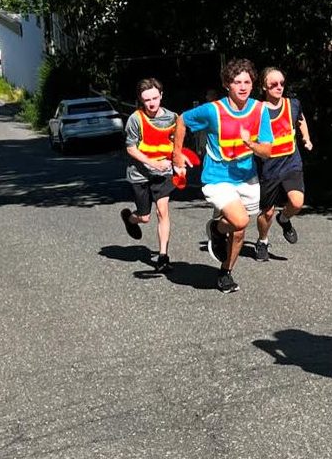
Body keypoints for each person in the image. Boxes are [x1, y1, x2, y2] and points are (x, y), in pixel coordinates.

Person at [172, 58, 274, 293]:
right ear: (227, 84)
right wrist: (177, 154)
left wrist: (251, 143)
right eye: (237, 82)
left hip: (247, 177)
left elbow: (267, 152)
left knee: (239, 231)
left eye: (247, 81)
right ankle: (217, 230)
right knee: (240, 220)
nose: (242, 87)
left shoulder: (260, 110)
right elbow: (182, 120)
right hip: (216, 176)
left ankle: (225, 272)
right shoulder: (213, 110)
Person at [253, 68, 313, 261]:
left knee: (297, 202)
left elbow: (301, 120)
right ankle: (262, 240)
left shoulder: (292, 104)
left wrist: (306, 138)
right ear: (264, 87)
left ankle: (284, 218)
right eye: (273, 84)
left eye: (282, 83)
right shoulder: (256, 110)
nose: (279, 87)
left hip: (291, 162)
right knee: (267, 212)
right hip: (268, 168)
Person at [119, 77, 178, 272]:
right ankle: (130, 218)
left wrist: (179, 164)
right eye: (147, 100)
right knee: (145, 217)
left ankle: (163, 256)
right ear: (141, 101)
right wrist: (153, 163)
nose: (152, 103)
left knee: (163, 211)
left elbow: (176, 145)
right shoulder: (136, 119)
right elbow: (130, 149)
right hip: (140, 173)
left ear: (161, 95)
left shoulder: (172, 118)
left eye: (155, 98)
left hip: (163, 173)